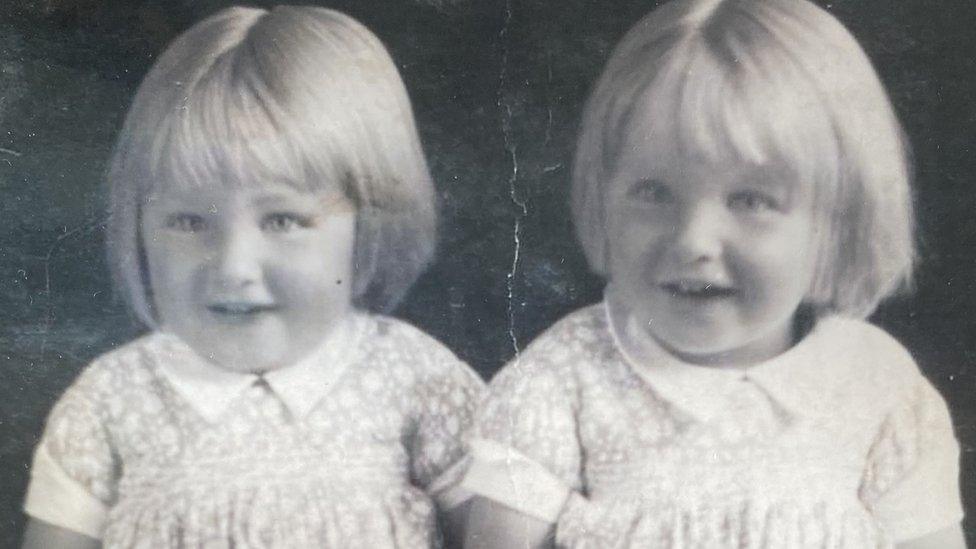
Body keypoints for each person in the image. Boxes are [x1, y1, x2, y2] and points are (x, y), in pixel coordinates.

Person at [461, 0, 965, 546]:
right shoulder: (563, 380)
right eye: (654, 192)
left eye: (751, 200)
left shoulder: (878, 388)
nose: (693, 241)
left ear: (839, 224)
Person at [22, 6, 483, 547]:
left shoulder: (417, 380)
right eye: (189, 221)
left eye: (283, 220)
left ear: (371, 224)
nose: (234, 267)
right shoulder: (111, 399)